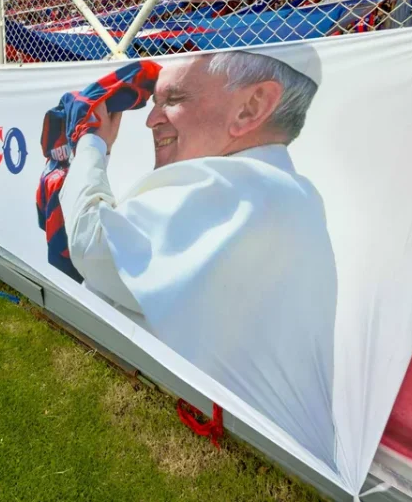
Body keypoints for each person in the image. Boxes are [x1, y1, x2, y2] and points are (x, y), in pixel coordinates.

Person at [59, 49, 338, 467]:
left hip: (254, 461)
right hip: (271, 453)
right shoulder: (282, 189)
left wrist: (91, 143)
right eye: (154, 103)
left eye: (173, 100)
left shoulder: (242, 187)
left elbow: (93, 246)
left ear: (251, 106)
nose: (152, 120)